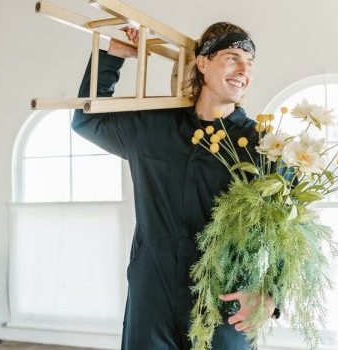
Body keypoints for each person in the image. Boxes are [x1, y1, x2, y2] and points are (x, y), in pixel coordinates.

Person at [72, 22, 278, 350]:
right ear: (203, 63)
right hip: (153, 295)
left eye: (249, 63)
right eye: (232, 57)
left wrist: (270, 293)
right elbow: (86, 120)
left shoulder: (262, 145)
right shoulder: (153, 127)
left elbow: (288, 225)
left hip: (224, 298)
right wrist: (113, 57)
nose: (243, 70)